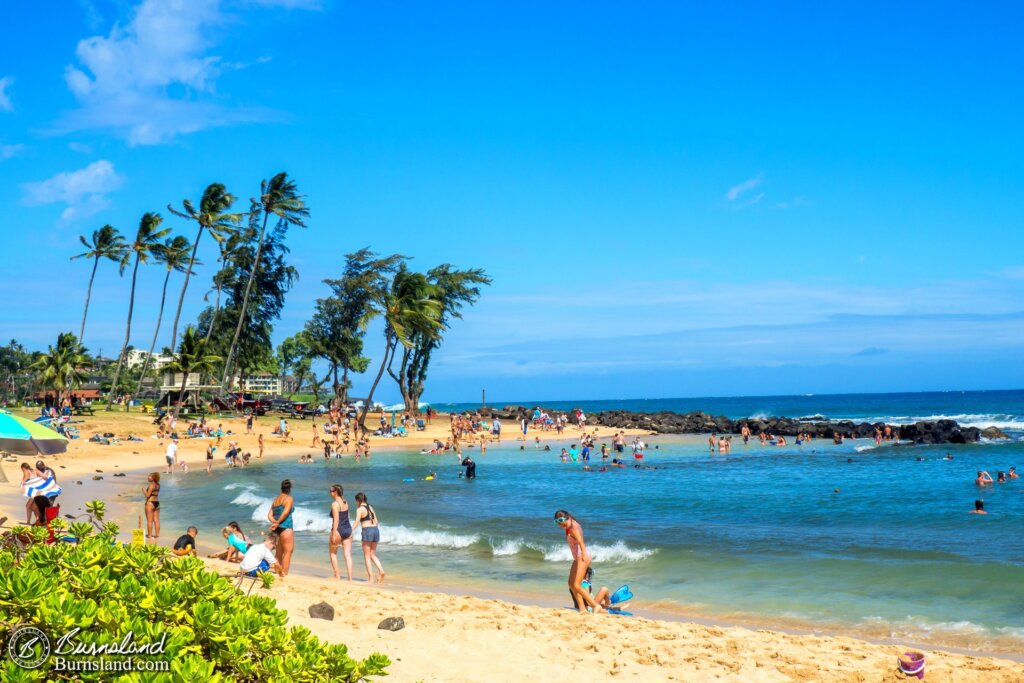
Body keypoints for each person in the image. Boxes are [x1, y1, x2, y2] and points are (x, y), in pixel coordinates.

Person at [553, 510, 601, 613]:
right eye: (556, 522)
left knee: (577, 585)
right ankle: (582, 608)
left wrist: (583, 555)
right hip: (577, 558)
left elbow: (580, 541)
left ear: (567, 518)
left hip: (582, 557)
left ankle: (595, 606)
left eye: (561, 521)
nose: (559, 524)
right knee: (571, 583)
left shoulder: (573, 527)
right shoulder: (569, 526)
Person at [354, 492, 385, 584]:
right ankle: (381, 571)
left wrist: (350, 530)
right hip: (376, 530)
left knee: (367, 556)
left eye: (356, 501)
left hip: (367, 531)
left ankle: (371, 579)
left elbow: (356, 522)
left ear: (358, 500)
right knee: (372, 554)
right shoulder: (370, 506)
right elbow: (377, 520)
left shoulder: (360, 509)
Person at [267, 479, 295, 576]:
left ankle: (277, 572)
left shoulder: (276, 500)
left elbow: (269, 515)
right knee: (288, 552)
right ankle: (284, 574)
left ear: (281, 488)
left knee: (279, 552)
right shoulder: (289, 499)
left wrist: (274, 522)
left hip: (278, 529)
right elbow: (286, 512)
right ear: (290, 489)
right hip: (286, 527)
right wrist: (278, 522)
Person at [329, 484, 354, 581]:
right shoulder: (345, 502)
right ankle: (350, 578)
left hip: (338, 530)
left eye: (331, 490)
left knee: (333, 553)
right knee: (348, 555)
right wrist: (350, 530)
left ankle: (337, 576)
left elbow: (336, 520)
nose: (330, 492)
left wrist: (334, 534)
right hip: (348, 529)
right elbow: (348, 516)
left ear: (335, 492)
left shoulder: (335, 504)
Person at [143, 472, 161, 539]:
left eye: (149, 476)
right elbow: (155, 493)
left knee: (149, 521)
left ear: (153, 478)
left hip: (150, 503)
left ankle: (150, 535)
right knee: (156, 520)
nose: (148, 477)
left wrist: (144, 490)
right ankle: (157, 535)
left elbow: (147, 495)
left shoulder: (151, 485)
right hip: (157, 503)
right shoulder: (158, 485)